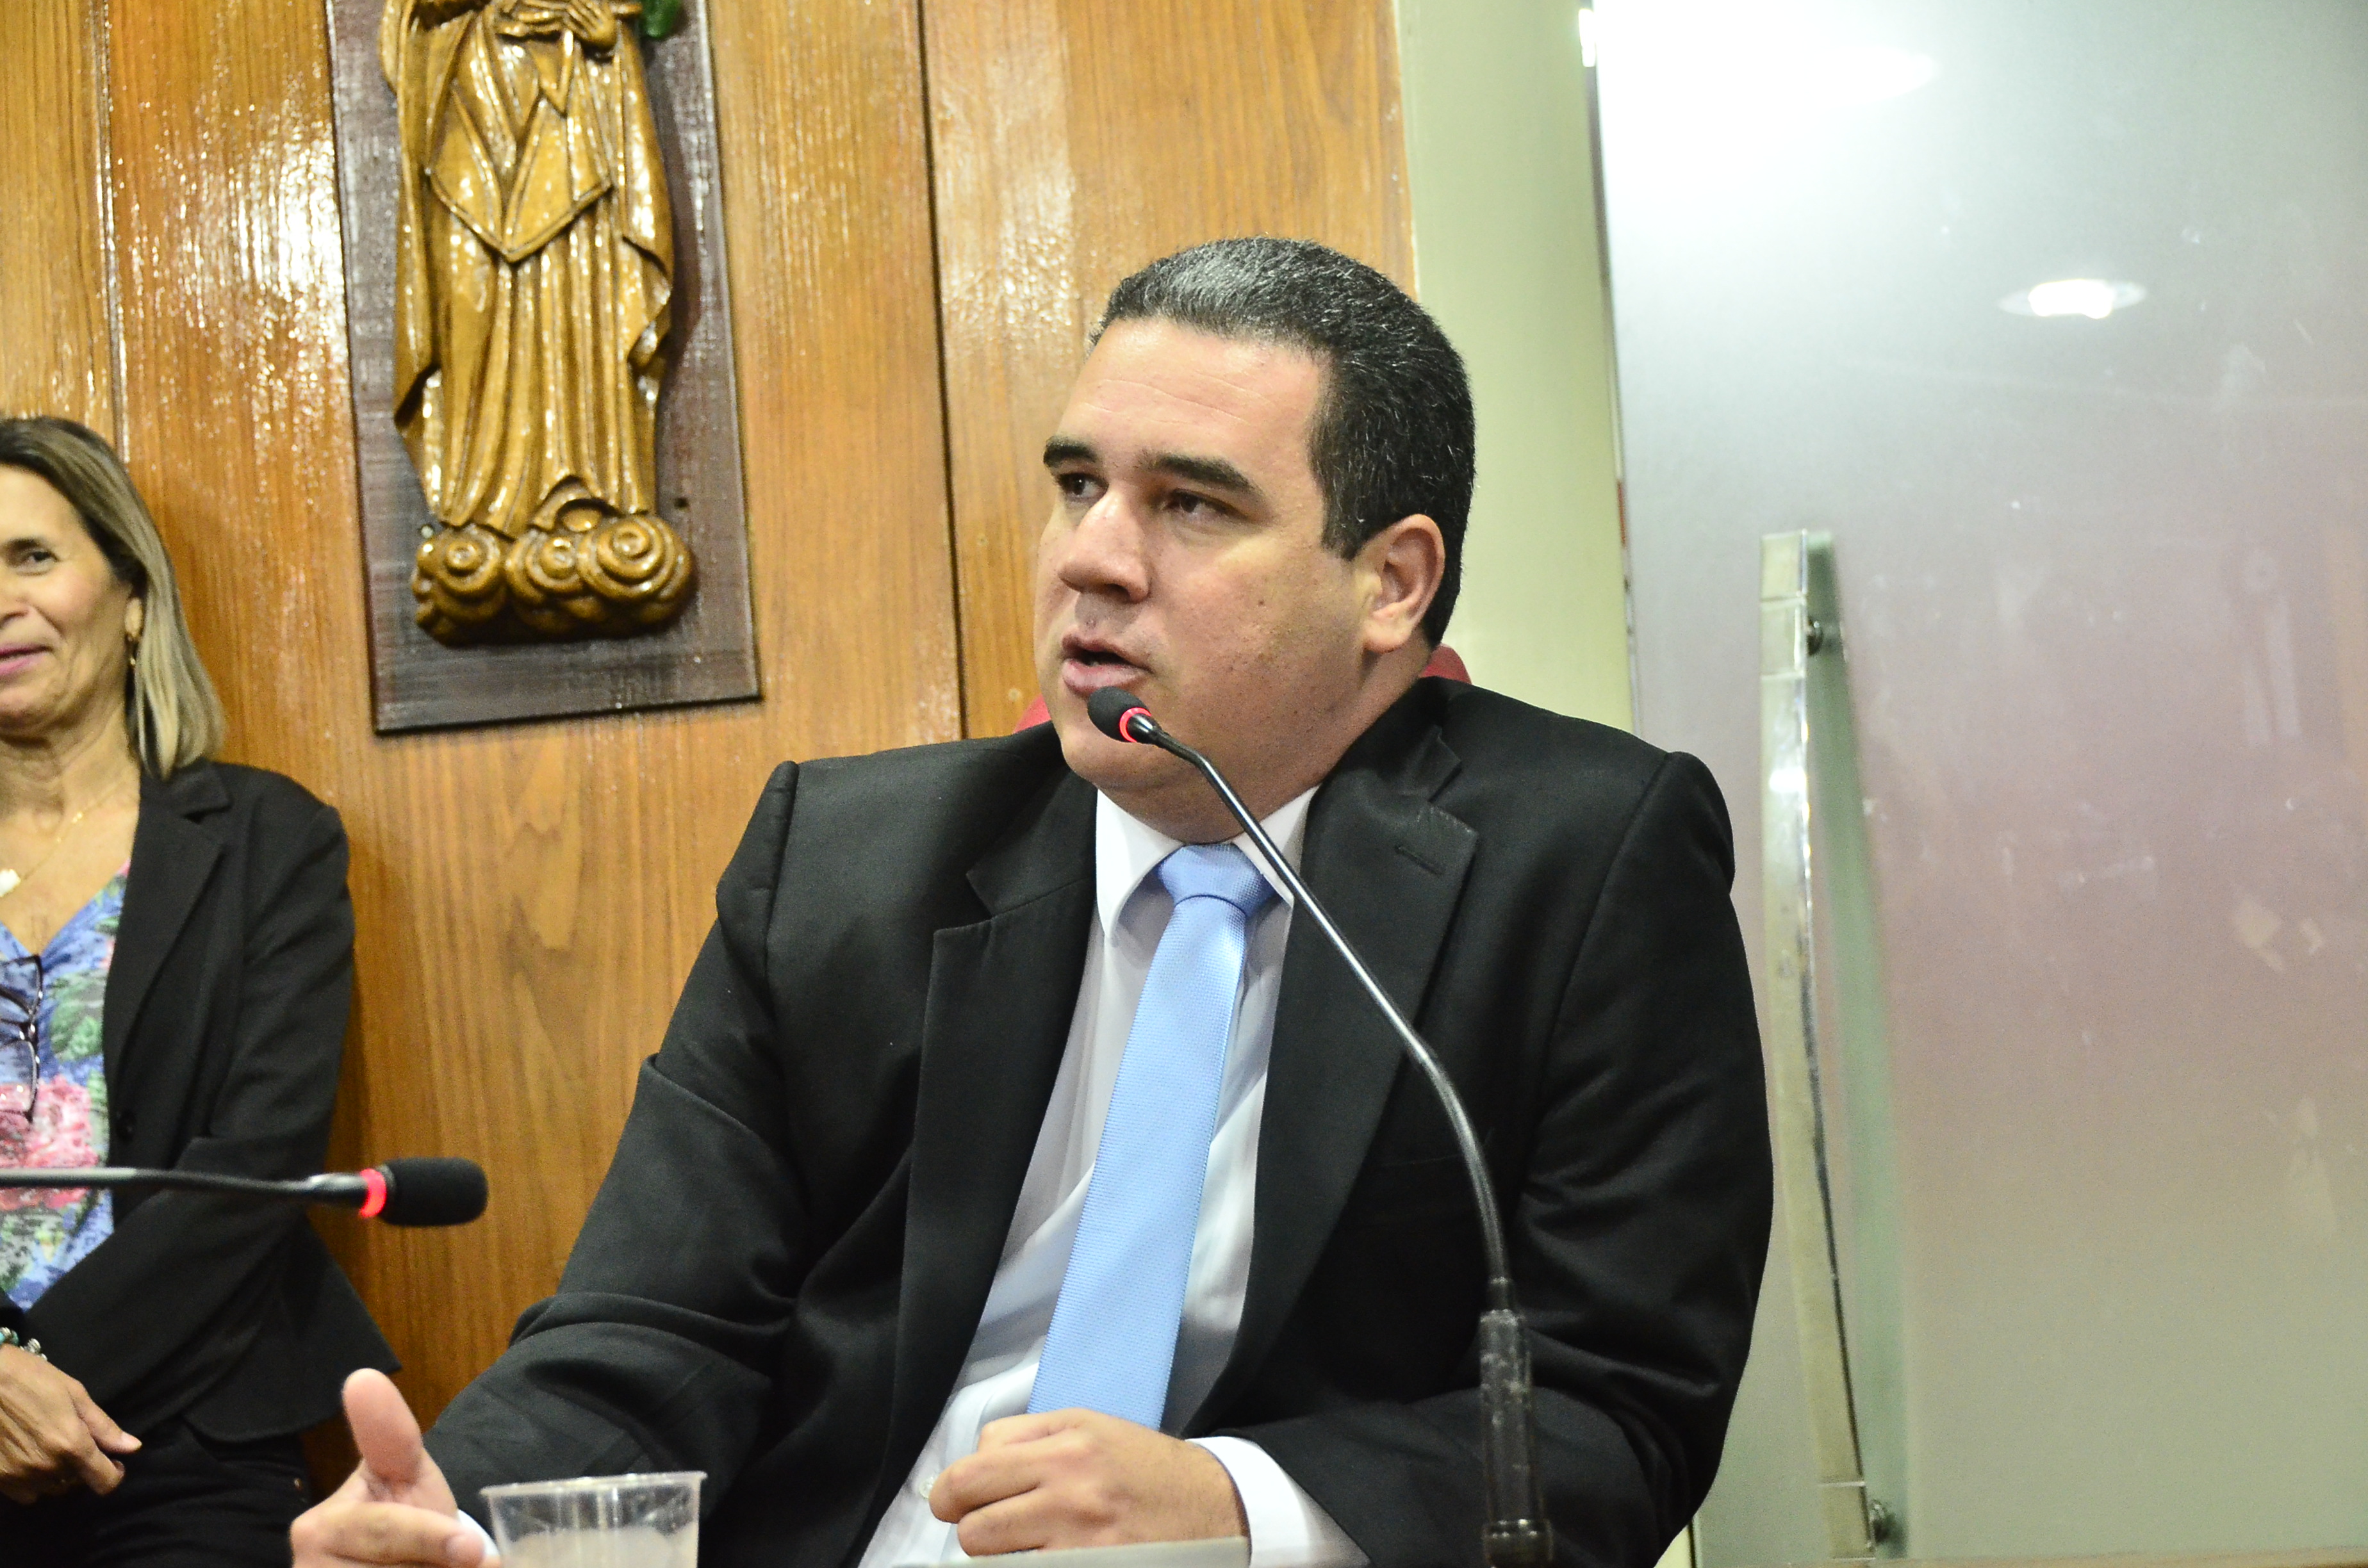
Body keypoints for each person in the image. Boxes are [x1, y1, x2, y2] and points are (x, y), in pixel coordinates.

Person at [292, 238, 1771, 1568]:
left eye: (1191, 505)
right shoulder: (848, 865)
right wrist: (457, 1516)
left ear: (1391, 582)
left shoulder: (1580, 863)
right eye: (1077, 486)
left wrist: (1232, 1502)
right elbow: (657, 1328)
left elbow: (1614, 1416)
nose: (1090, 558)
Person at [0, 418, 396, 1565]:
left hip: (186, 1439)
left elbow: (257, 1164)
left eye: (33, 557)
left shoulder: (270, 840)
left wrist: (36, 1374)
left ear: (131, 596)